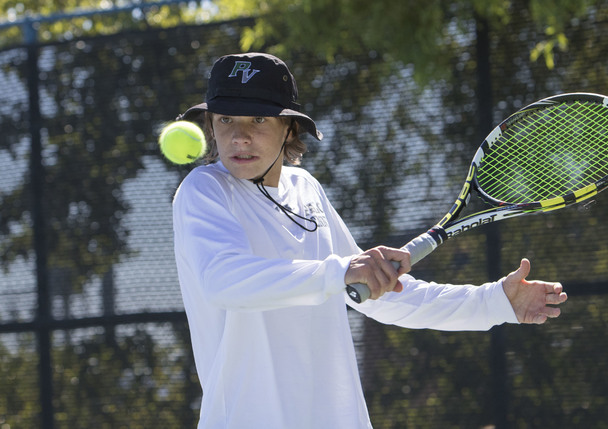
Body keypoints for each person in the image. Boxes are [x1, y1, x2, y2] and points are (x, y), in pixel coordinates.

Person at [172, 52, 568, 429]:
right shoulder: (203, 190)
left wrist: (493, 302)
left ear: (289, 128)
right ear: (210, 125)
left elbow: (383, 293)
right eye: (225, 119)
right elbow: (223, 281)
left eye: (258, 118)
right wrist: (342, 271)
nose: (239, 136)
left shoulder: (306, 189)